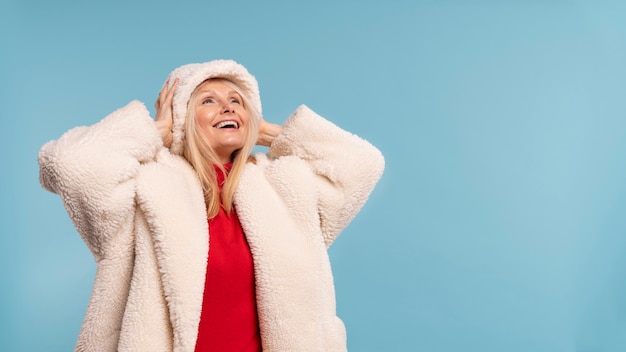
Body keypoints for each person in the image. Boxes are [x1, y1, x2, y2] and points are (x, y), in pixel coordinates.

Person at [38, 59, 384, 352]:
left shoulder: (284, 188)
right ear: (182, 118)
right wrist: (158, 129)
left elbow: (362, 163)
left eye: (237, 100)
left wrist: (264, 131)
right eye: (208, 101)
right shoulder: (145, 189)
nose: (228, 106)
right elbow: (70, 163)